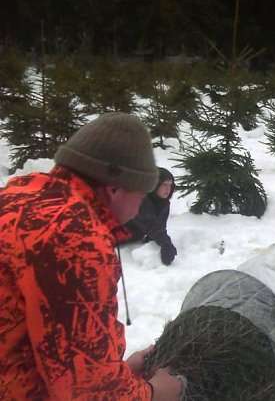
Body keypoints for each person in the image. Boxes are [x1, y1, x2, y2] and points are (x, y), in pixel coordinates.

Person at [0, 112, 185, 399]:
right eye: (139, 196)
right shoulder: (74, 238)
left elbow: (59, 349)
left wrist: (116, 372)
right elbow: (86, 392)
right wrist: (153, 393)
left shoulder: (18, 198)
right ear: (113, 188)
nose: (138, 210)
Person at [126, 167, 179, 265]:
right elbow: (151, 224)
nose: (168, 189)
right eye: (164, 185)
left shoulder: (163, 202)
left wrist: (156, 239)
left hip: (133, 239)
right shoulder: (140, 200)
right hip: (115, 241)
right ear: (155, 185)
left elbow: (160, 225)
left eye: (170, 185)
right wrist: (165, 243)